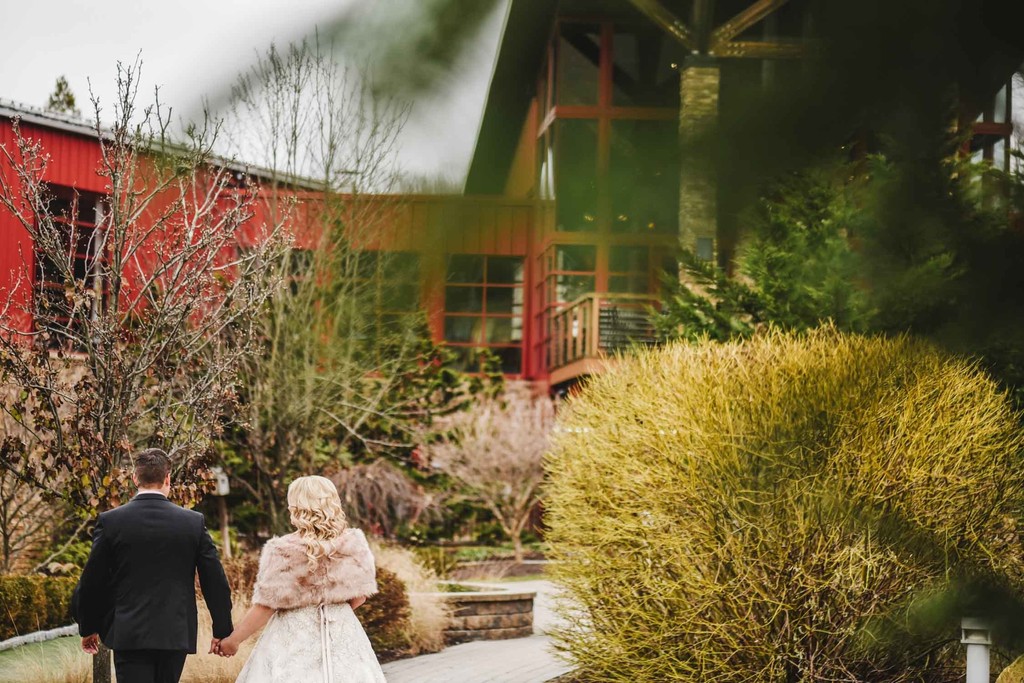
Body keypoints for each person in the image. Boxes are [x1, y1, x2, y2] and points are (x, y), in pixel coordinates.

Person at [73, 447, 234, 683]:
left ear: (134, 478)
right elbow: (215, 581)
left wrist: (88, 627)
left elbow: (91, 581)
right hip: (174, 632)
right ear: (167, 478)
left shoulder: (111, 522)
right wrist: (222, 630)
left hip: (129, 633)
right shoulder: (192, 523)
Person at [213, 475, 384, 683]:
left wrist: (233, 640)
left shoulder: (282, 550)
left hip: (293, 637)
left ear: (295, 507)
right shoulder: (353, 543)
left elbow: (266, 606)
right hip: (342, 631)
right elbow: (360, 597)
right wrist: (333, 610)